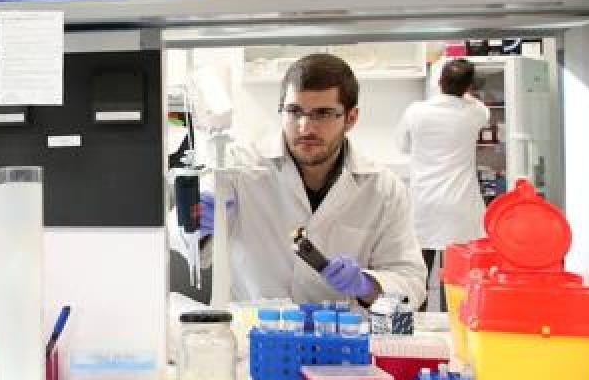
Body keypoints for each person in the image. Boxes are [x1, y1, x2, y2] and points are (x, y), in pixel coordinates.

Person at [199, 54, 427, 309]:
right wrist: (196, 222)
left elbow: (410, 281)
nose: (306, 128)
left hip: (341, 331)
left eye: (323, 114)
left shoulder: (383, 189)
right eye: (294, 111)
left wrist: (366, 284)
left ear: (351, 118)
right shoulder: (237, 168)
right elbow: (186, 242)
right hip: (253, 328)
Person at [396, 58, 491, 309]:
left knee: (418, 274)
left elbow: (402, 146)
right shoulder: (476, 112)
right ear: (469, 87)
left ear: (439, 82)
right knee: (456, 278)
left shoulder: (416, 112)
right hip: (460, 205)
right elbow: (477, 106)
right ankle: (453, 324)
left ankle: (417, 323)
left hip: (424, 202)